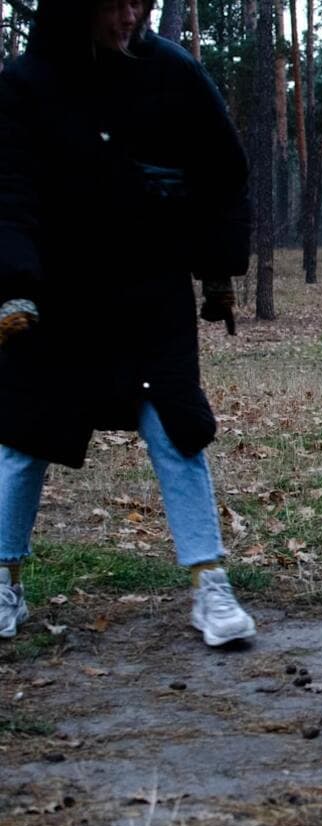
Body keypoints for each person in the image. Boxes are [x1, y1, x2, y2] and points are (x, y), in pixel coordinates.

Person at [0, 0, 255, 645]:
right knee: (24, 438)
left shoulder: (172, 72)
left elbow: (221, 169)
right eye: (115, 4)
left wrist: (218, 268)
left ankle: (209, 586)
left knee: (177, 430)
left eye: (139, 2)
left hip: (151, 293)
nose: (130, 17)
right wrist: (14, 287)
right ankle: (3, 581)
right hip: (56, 297)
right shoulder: (25, 83)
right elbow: (10, 188)